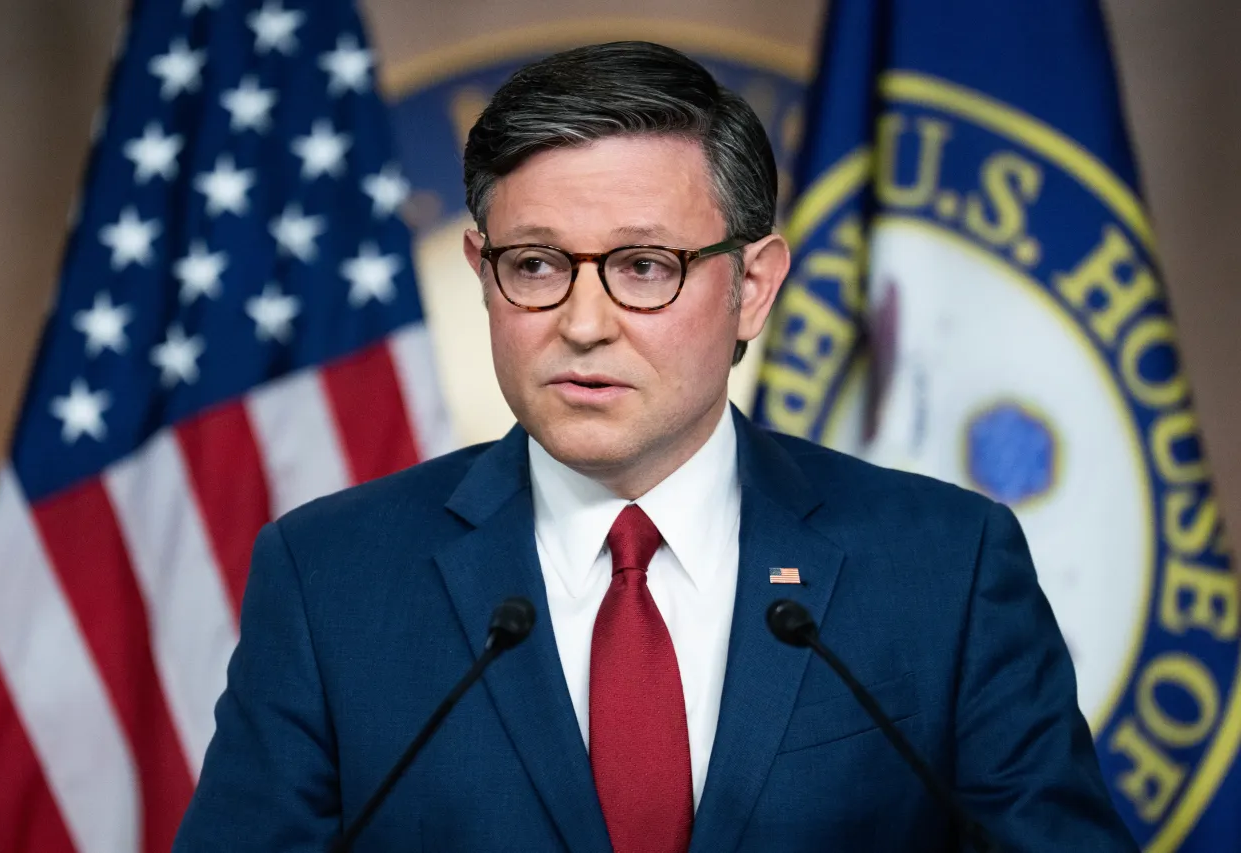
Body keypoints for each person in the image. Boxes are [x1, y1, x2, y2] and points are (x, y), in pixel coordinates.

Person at [174, 41, 1138, 852]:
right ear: (482, 270)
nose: (583, 322)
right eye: (537, 264)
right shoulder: (330, 578)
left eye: (644, 266)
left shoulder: (944, 567)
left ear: (753, 286)